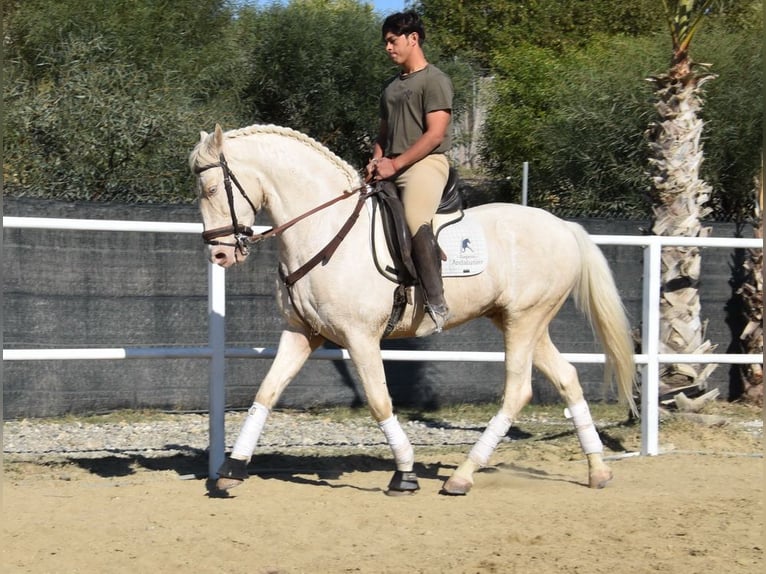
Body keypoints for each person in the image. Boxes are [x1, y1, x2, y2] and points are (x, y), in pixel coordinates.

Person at [366, 10, 453, 332]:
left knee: (417, 220)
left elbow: (435, 135)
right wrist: (376, 160)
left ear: (412, 38)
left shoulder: (435, 80)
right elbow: (383, 135)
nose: (388, 48)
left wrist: (395, 164)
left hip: (424, 164)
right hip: (390, 165)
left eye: (392, 41)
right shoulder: (390, 87)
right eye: (385, 42)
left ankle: (436, 301)